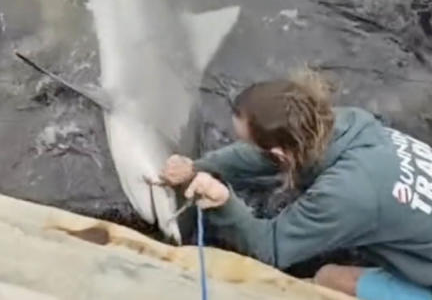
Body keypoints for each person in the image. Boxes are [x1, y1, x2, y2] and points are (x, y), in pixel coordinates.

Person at [159, 71, 432, 300]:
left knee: (328, 280)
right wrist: (199, 166)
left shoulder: (345, 195)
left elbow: (270, 249)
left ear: (279, 153)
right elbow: (261, 155)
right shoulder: (348, 123)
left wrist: (223, 203)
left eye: (247, 141)